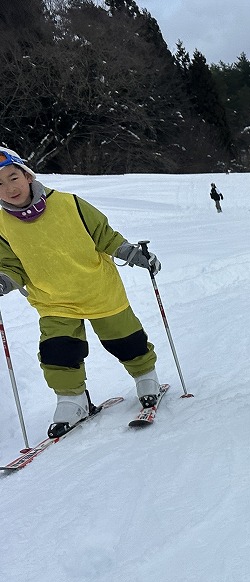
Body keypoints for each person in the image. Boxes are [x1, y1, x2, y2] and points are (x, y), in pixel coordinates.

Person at [0, 146, 164, 437]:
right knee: (57, 352)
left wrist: (132, 254)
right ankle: (72, 400)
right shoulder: (2, 226)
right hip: (53, 301)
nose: (9, 188)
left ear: (27, 175)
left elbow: (104, 236)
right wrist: (3, 280)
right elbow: (12, 265)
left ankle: (145, 377)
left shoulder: (70, 204)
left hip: (98, 290)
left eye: (13, 177)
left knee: (126, 340)